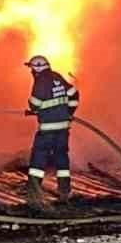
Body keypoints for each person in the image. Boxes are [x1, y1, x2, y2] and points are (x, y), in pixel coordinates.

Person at [22, 55, 79, 208]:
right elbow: (74, 93)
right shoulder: (57, 77)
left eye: (32, 68)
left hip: (47, 130)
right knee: (61, 158)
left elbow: (35, 103)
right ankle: (65, 190)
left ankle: (34, 192)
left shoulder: (41, 82)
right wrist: (69, 112)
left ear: (37, 68)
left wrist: (34, 110)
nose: (31, 71)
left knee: (38, 159)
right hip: (63, 129)